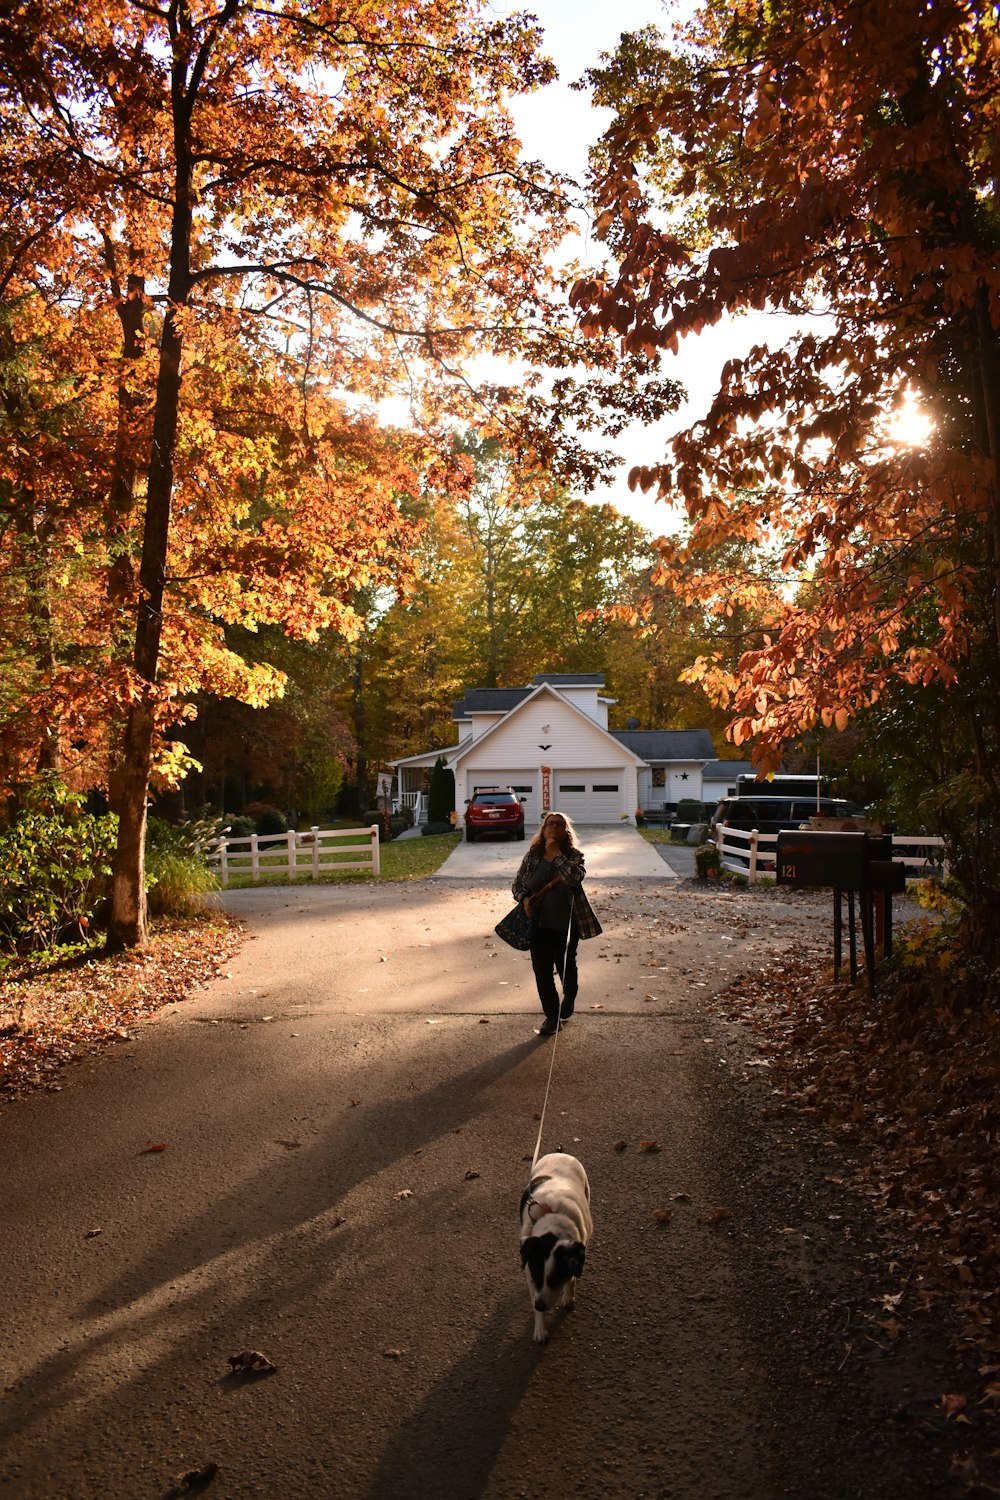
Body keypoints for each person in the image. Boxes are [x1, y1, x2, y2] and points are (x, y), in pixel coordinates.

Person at [511, 811, 602, 1036]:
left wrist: (557, 855)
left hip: (566, 924)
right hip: (537, 923)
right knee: (541, 970)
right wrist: (523, 899)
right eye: (550, 824)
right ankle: (552, 1016)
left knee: (565, 966)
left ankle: (569, 995)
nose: (554, 828)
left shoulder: (574, 855)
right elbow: (517, 884)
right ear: (543, 830)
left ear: (565, 832)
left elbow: (574, 877)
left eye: (559, 825)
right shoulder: (533, 855)